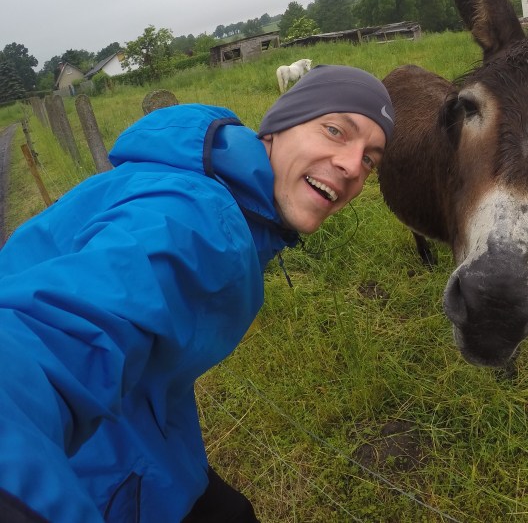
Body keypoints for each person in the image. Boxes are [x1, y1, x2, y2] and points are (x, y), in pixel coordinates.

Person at [0, 65, 395, 522]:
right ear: (277, 127)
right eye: (334, 130)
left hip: (136, 436)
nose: (352, 166)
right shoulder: (200, 220)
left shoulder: (217, 188)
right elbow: (51, 340)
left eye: (371, 159)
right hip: (80, 472)